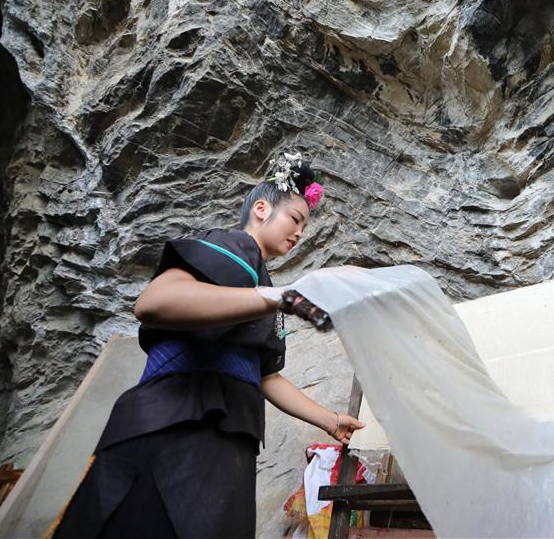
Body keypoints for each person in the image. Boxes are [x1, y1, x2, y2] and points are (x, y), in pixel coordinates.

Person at [49, 154, 364, 539]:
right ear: (261, 209)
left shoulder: (260, 281)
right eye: (295, 219)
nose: (300, 233)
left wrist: (330, 421)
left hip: (224, 431)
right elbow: (154, 302)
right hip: (179, 421)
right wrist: (278, 296)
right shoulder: (234, 247)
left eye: (304, 226)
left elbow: (265, 375)